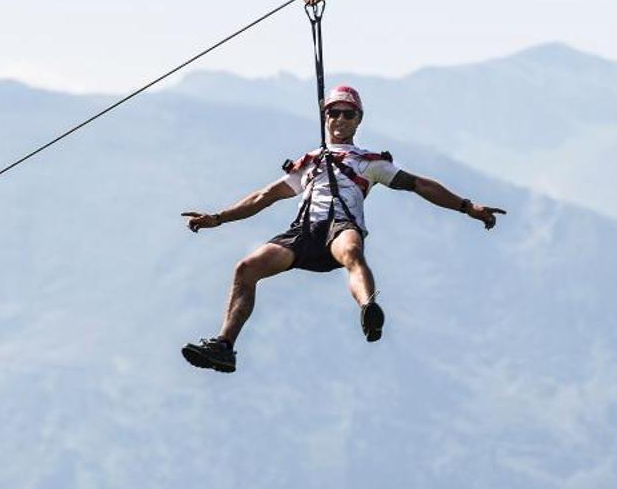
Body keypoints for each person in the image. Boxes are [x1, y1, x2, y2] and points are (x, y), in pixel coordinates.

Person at [180, 84, 504, 372]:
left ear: (358, 120)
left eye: (348, 114)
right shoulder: (307, 162)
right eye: (334, 112)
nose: (340, 119)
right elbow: (264, 196)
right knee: (246, 268)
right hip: (303, 232)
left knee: (351, 251)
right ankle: (224, 346)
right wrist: (219, 217)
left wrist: (466, 206)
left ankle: (368, 309)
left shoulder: (369, 162)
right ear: (325, 117)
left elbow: (418, 184)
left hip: (341, 224)